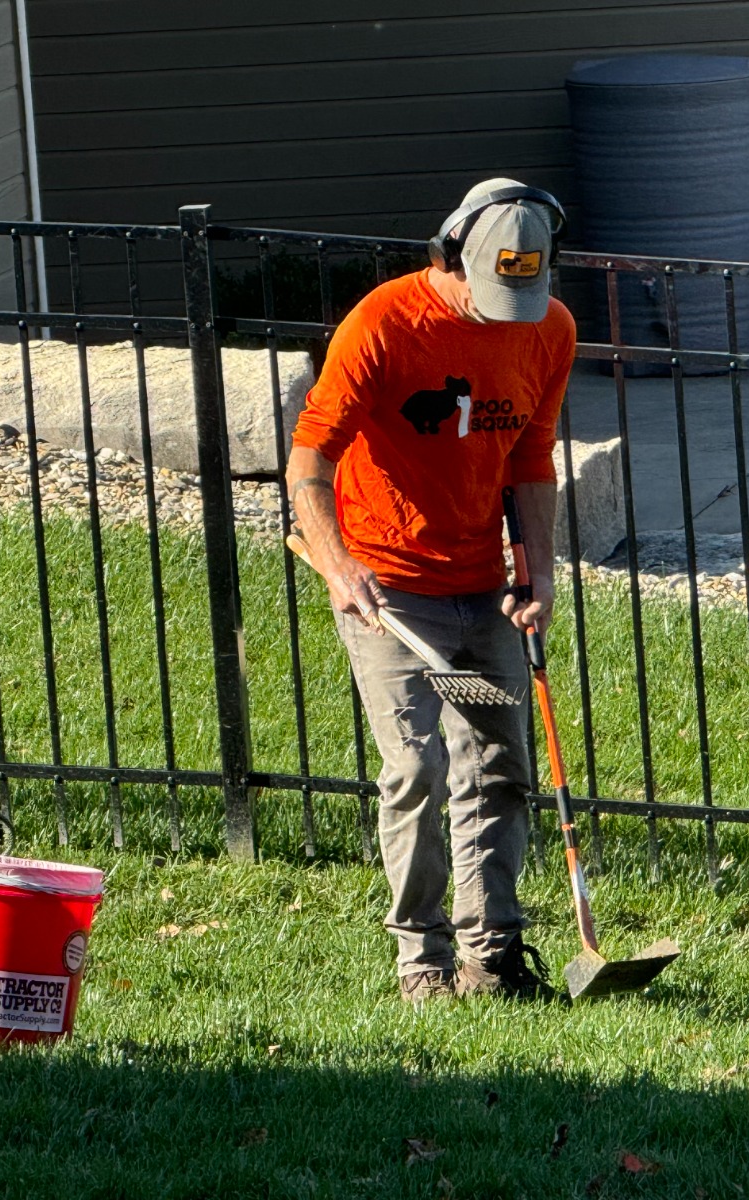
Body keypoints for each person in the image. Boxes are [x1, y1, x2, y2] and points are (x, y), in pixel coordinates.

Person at [285, 178, 576, 1002]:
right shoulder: (383, 323)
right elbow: (310, 458)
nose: (505, 311)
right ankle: (423, 962)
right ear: (453, 252)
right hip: (390, 588)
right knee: (414, 765)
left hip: (482, 586)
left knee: (496, 760)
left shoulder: (549, 328)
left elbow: (530, 455)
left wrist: (540, 570)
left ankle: (495, 956)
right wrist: (342, 569)